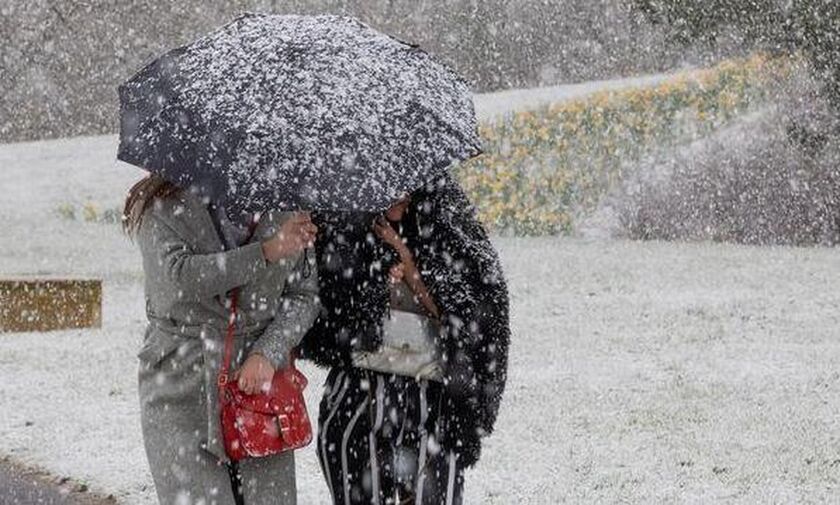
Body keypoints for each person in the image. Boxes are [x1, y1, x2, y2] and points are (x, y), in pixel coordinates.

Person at [300, 173, 510, 505]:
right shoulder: (343, 225)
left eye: (405, 186)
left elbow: (465, 316)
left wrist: (408, 263)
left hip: (429, 392)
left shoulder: (444, 221)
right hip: (362, 390)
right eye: (388, 185)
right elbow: (328, 308)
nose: (398, 194)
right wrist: (372, 284)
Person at [124, 174, 320, 505]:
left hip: (258, 392)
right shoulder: (160, 204)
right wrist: (267, 251)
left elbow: (303, 296)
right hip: (181, 382)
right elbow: (178, 279)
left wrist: (267, 354)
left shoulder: (285, 206)